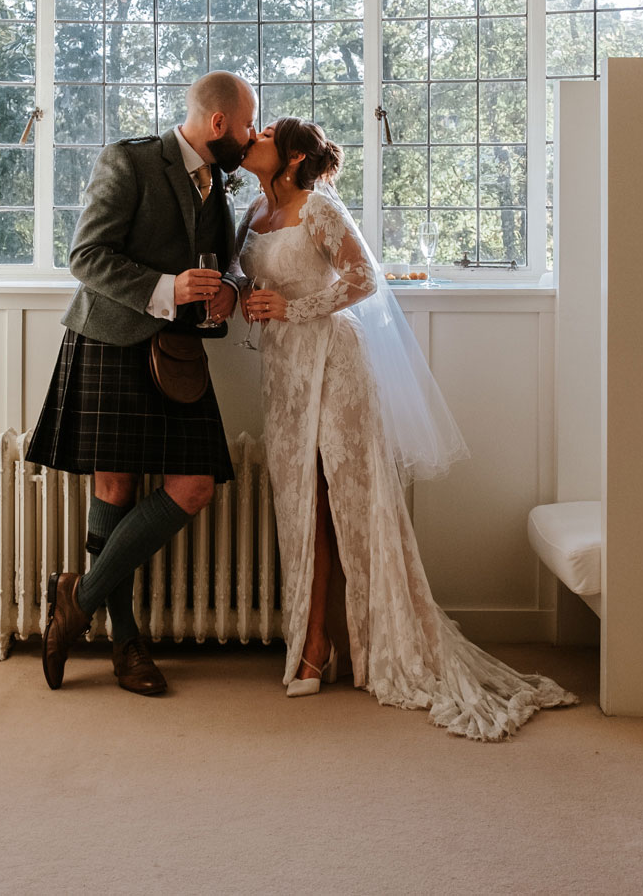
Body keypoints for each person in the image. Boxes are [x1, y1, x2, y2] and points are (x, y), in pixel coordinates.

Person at [237, 117, 577, 739]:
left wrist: (294, 307)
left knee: (339, 501)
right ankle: (328, 640)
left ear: (287, 158)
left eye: (262, 135)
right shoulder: (251, 213)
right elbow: (254, 280)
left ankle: (324, 645)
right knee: (299, 503)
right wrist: (245, 298)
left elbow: (365, 279)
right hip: (284, 373)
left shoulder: (320, 208)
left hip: (334, 364)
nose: (249, 138)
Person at [28, 71, 257, 695]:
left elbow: (228, 260)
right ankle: (126, 646)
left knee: (194, 486)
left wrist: (229, 291)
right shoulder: (128, 161)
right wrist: (168, 289)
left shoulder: (218, 183)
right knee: (116, 485)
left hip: (177, 353)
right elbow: (86, 255)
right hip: (108, 340)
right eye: (246, 124)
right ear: (218, 124)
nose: (251, 135)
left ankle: (80, 594)